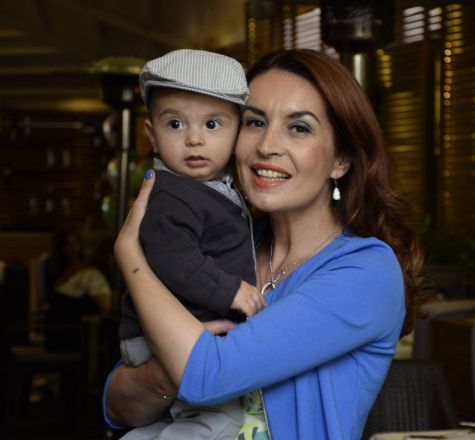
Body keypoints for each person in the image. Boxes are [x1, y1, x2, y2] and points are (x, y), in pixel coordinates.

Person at [105, 49, 424, 439]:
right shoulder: (224, 244)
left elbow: (209, 376)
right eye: (255, 122)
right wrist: (164, 373)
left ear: (340, 160)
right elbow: (118, 405)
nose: (267, 145)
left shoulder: (366, 271)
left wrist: (131, 257)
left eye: (299, 128)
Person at [118, 49, 266, 440]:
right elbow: (175, 260)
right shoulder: (172, 196)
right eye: (175, 124)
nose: (195, 139)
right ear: (152, 135)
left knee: (167, 424)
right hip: (167, 337)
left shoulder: (209, 189)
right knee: (216, 421)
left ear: (237, 132)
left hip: (178, 331)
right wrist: (229, 290)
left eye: (213, 124)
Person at [44, 228, 112, 351]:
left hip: (69, 325)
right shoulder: (54, 268)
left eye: (75, 243)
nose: (73, 248)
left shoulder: (85, 267)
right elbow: (106, 306)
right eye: (68, 244)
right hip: (65, 327)